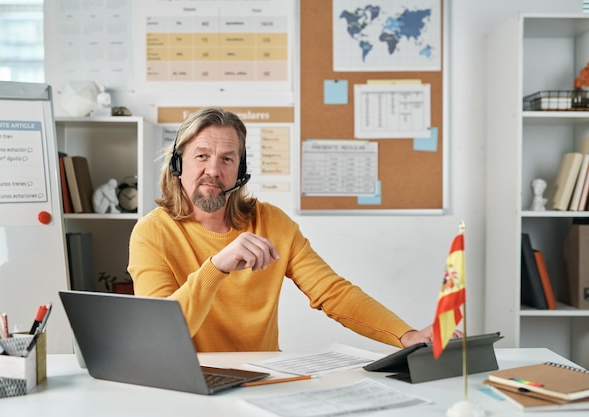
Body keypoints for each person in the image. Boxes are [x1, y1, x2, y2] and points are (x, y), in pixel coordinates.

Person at [128, 107, 454, 352]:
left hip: (262, 378)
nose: (213, 170)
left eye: (227, 159)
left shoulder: (272, 222)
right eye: (201, 156)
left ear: (240, 172)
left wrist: (407, 335)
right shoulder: (152, 233)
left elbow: (332, 292)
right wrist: (217, 267)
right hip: (189, 380)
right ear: (177, 164)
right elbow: (160, 331)